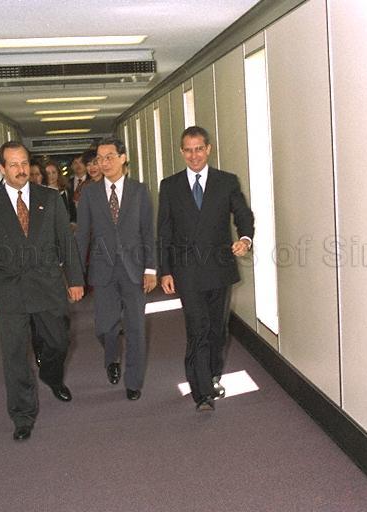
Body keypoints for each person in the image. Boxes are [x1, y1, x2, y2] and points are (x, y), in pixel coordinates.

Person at [0, 141, 84, 441]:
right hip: (8, 289)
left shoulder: (49, 198)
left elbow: (66, 241)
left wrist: (75, 279)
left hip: (47, 285)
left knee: (58, 341)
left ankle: (51, 374)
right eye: (13, 164)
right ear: (1, 169)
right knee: (14, 356)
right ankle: (22, 415)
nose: (21, 169)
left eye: (24, 163)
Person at [157, 126, 254, 411]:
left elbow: (243, 214)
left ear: (208, 149)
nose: (194, 155)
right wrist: (166, 270)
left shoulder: (226, 182)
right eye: (188, 150)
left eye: (199, 148)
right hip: (187, 270)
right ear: (181, 152)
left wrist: (245, 238)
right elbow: (164, 230)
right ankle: (202, 393)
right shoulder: (170, 186)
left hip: (219, 268)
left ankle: (211, 374)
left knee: (217, 330)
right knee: (197, 328)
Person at [75, 137, 156, 401]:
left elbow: (148, 231)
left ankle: (133, 382)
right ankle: (111, 357)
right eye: (99, 158)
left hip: (134, 269)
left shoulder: (139, 191)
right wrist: (75, 274)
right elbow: (83, 234)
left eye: (110, 156)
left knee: (135, 328)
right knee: (104, 327)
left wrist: (151, 269)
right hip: (103, 269)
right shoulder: (89, 193)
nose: (104, 162)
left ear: (123, 158)